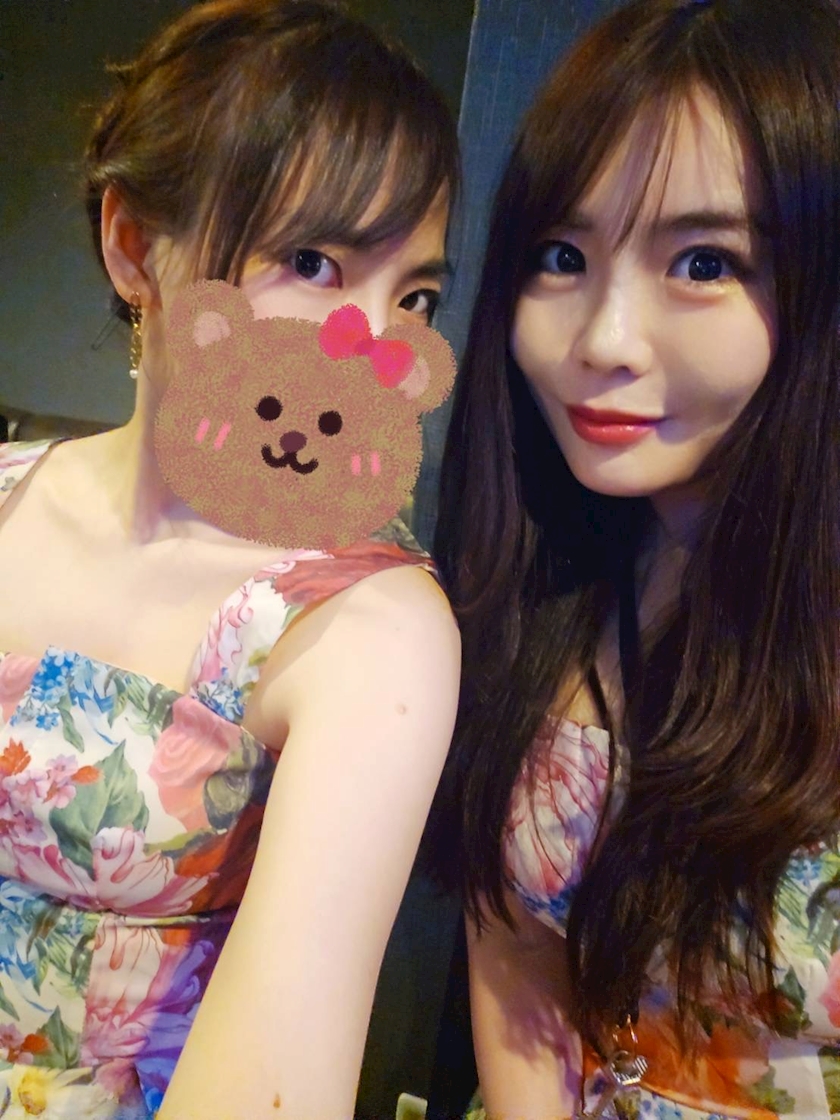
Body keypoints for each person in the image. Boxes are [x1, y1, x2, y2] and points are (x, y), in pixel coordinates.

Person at [0, 1, 461, 1117]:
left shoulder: (364, 626)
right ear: (134, 247)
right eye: (313, 262)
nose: (374, 347)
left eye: (414, 297)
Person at [431, 0, 840, 1116]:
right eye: (562, 256)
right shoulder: (547, 578)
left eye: (704, 261)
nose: (602, 340)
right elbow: (513, 943)